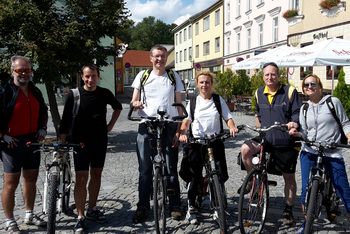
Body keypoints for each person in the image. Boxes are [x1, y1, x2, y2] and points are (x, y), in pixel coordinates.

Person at [60, 64, 122, 233]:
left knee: (96, 175)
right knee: (81, 178)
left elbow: (118, 107)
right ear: (82, 77)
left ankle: (92, 209)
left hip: (99, 141)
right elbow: (65, 120)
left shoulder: (104, 93)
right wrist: (63, 143)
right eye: (87, 76)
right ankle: (80, 217)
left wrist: (110, 126)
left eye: (93, 76)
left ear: (98, 76)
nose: (90, 79)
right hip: (80, 143)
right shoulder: (75, 95)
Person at [239, 62, 302, 226]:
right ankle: (253, 181)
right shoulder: (259, 92)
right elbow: (258, 112)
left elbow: (297, 113)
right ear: (263, 76)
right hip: (266, 139)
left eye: (273, 74)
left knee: (289, 177)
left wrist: (293, 123)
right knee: (245, 149)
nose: (270, 77)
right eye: (267, 75)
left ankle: (288, 209)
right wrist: (259, 125)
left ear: (278, 75)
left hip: (286, 141)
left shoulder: (289, 91)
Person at [289, 74, 350, 232]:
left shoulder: (332, 102)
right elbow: (304, 131)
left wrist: (349, 137)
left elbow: (345, 123)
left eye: (313, 83)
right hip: (310, 150)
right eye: (306, 85)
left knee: (343, 189)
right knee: (305, 190)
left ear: (320, 86)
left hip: (331, 151)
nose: (309, 87)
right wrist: (297, 134)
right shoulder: (304, 108)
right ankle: (306, 221)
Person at [131, 45, 184, 223]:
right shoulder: (142, 76)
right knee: (145, 170)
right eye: (157, 57)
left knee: (170, 169)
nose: (160, 59)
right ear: (151, 58)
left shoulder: (173, 76)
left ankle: (175, 205)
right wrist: (136, 104)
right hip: (147, 124)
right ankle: (143, 206)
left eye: (163, 57)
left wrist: (178, 130)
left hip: (168, 125)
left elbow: (178, 106)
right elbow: (133, 100)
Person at [178, 70, 239, 224]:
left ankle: (217, 207)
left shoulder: (218, 100)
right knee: (194, 177)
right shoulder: (192, 102)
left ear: (211, 84)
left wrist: (231, 127)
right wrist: (182, 133)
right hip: (196, 143)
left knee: (217, 175)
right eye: (201, 82)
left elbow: (228, 118)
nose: (204, 85)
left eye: (207, 82)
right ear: (198, 84)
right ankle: (191, 207)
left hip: (214, 143)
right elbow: (186, 121)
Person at [0, 56, 48, 233]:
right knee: (11, 183)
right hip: (12, 143)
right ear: (12, 71)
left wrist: (43, 127)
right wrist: (2, 136)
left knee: (31, 180)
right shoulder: (5, 91)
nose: (25, 74)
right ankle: (10, 220)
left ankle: (29, 214)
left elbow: (43, 110)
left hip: (32, 141)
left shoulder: (35, 90)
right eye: (20, 70)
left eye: (28, 70)